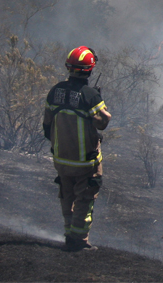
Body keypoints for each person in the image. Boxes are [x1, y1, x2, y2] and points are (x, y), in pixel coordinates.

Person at [43, 46, 111, 252]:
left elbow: (47, 127)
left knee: (67, 195)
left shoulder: (55, 91)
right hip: (85, 161)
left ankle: (68, 234)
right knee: (85, 198)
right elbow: (103, 123)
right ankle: (79, 240)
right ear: (90, 70)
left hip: (61, 160)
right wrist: (98, 106)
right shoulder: (90, 96)